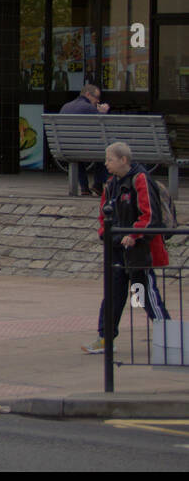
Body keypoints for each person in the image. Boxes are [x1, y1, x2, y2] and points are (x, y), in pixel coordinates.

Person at [84, 142, 172, 354]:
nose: (106, 164)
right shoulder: (111, 183)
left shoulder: (140, 179)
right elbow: (104, 214)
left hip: (138, 250)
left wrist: (134, 234)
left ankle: (170, 337)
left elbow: (149, 215)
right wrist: (104, 233)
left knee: (145, 294)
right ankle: (105, 337)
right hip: (116, 249)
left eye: (109, 159)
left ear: (123, 160)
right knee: (113, 293)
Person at [61, 84, 110, 195]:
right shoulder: (88, 108)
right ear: (88, 94)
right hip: (86, 148)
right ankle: (98, 184)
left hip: (66, 148)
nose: (98, 101)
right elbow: (102, 129)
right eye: (96, 97)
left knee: (77, 153)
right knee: (106, 147)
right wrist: (103, 113)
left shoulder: (66, 106)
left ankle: (84, 188)